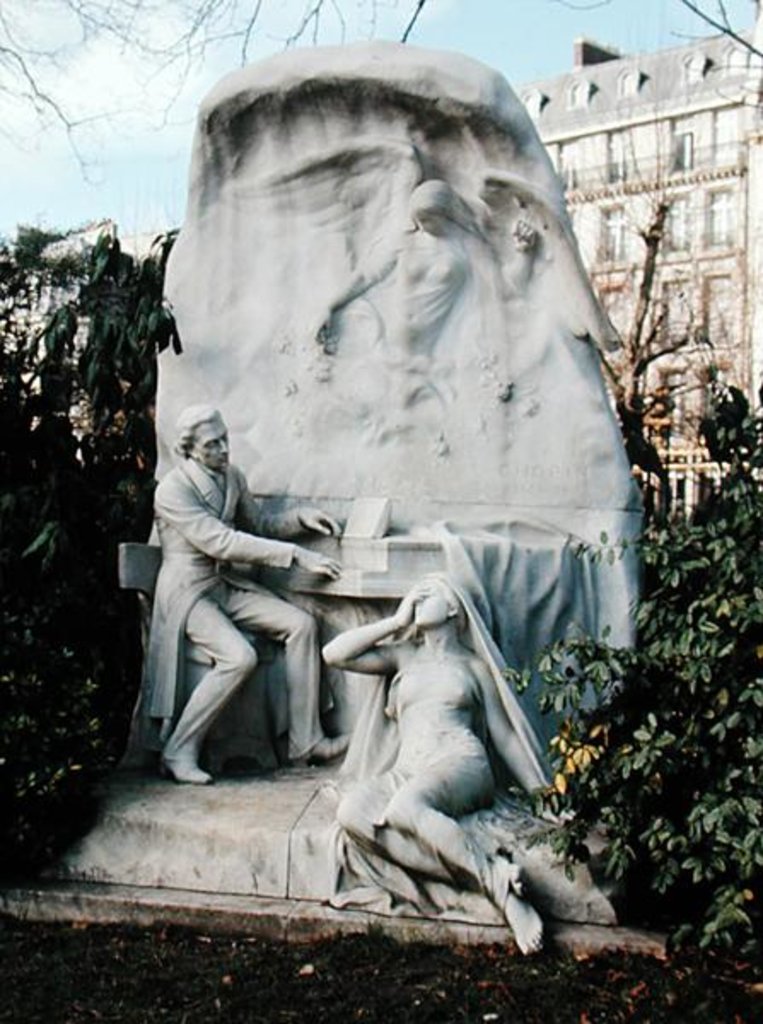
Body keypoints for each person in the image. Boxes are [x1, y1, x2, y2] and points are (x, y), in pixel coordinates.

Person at [322, 577, 549, 955]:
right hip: (409, 769)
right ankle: (490, 875)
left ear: (454, 608)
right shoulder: (404, 656)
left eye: (430, 592)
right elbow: (334, 654)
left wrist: (543, 793)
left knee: (405, 807)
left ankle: (504, 894)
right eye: (416, 591)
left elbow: (506, 737)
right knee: (351, 812)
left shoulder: (474, 666)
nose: (417, 595)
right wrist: (396, 622)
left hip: (461, 761)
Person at [144, 404, 348, 784]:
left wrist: (299, 519)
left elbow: (258, 526)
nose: (223, 449)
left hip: (222, 586)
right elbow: (220, 542)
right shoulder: (173, 490)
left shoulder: (232, 477)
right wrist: (297, 555)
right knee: (239, 657)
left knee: (301, 625)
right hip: (187, 594)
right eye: (212, 444)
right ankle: (178, 750)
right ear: (189, 449)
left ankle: (307, 741)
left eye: (224, 439)